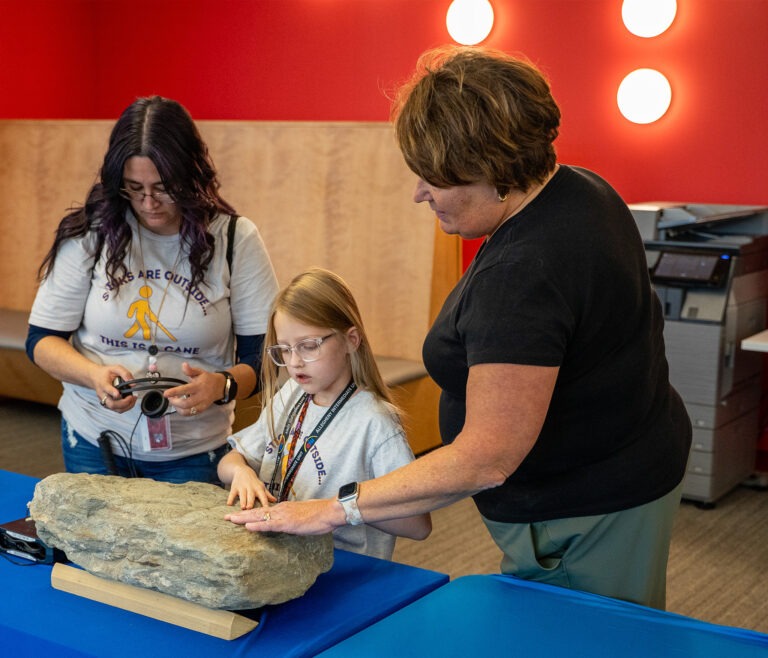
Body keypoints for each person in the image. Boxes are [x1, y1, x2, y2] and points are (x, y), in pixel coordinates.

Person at [227, 46, 692, 609]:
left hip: (587, 507)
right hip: (633, 454)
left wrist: (330, 507)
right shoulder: (578, 187)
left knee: (591, 639)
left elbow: (484, 458)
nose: (419, 193)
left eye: (433, 179)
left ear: (492, 170)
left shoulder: (525, 272)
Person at [26, 96, 279, 485]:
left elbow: (263, 359)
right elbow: (42, 340)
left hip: (194, 450)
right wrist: (93, 375)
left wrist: (222, 385)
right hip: (97, 439)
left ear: (191, 174)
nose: (148, 203)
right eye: (134, 188)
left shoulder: (234, 238)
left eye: (163, 187)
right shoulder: (92, 232)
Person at [220, 268, 431, 559]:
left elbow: (418, 525)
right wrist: (241, 472)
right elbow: (229, 460)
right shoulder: (291, 394)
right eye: (284, 350)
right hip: (282, 557)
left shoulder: (374, 421)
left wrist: (334, 509)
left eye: (308, 346)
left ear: (350, 340)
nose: (294, 363)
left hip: (344, 570)